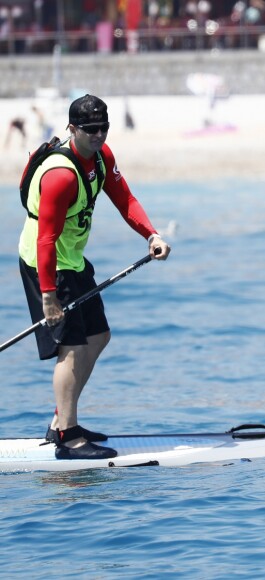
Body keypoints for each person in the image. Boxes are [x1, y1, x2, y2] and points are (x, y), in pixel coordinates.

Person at [18, 94, 171, 460]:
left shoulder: (103, 157)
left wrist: (151, 234)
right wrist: (48, 297)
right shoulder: (59, 176)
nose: (99, 135)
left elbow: (125, 199)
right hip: (48, 264)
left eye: (104, 128)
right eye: (90, 130)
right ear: (72, 129)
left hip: (72, 260)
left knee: (98, 336)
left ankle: (62, 421)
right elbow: (46, 239)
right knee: (71, 346)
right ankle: (68, 439)